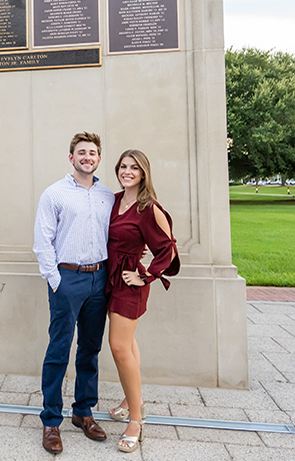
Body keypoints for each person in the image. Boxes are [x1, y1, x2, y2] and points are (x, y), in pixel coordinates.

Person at [33, 132, 115, 454]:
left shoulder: (108, 195)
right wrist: (56, 280)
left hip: (99, 279)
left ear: (98, 158)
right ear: (72, 158)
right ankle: (51, 419)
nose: (87, 157)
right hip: (67, 279)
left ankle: (83, 412)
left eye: (93, 153)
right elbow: (43, 242)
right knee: (59, 350)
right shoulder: (54, 194)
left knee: (90, 349)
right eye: (82, 152)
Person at [106, 149, 180, 453]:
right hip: (109, 279)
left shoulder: (149, 208)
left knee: (119, 346)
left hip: (129, 285)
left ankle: (135, 420)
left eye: (134, 168)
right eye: (123, 166)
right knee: (128, 343)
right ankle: (131, 399)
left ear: (143, 173)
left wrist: (146, 275)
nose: (127, 171)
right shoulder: (113, 200)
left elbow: (169, 249)